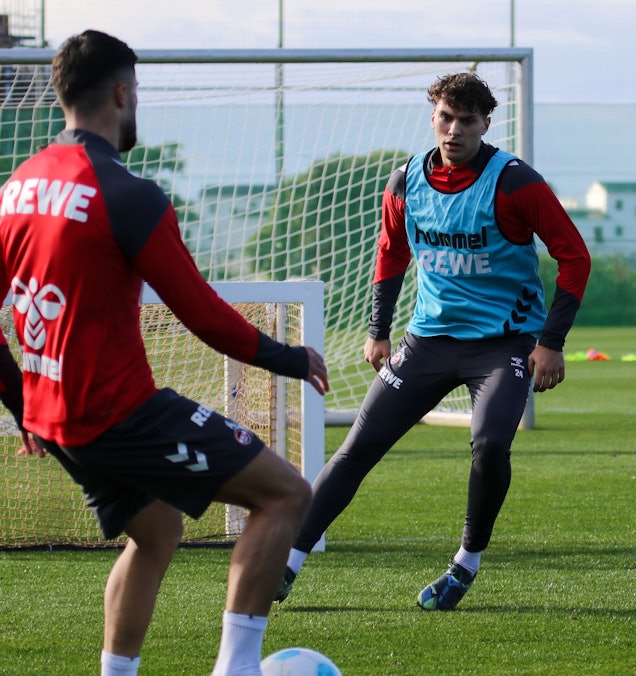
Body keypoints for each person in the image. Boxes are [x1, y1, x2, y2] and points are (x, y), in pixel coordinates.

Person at [0, 30, 329, 675]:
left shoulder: (16, 187)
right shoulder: (127, 193)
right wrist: (289, 357)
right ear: (122, 92)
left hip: (59, 418)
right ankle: (235, 669)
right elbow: (202, 314)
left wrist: (23, 405)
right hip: (119, 414)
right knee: (287, 495)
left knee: (156, 531)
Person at [276, 72, 590, 610]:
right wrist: (378, 332)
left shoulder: (515, 182)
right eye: (446, 118)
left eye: (467, 121)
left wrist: (551, 342)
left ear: (486, 124)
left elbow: (574, 256)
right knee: (356, 450)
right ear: (432, 119)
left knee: (491, 445)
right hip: (427, 343)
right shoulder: (404, 182)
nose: (454, 130)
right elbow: (391, 251)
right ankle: (284, 566)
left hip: (503, 346)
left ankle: (465, 564)